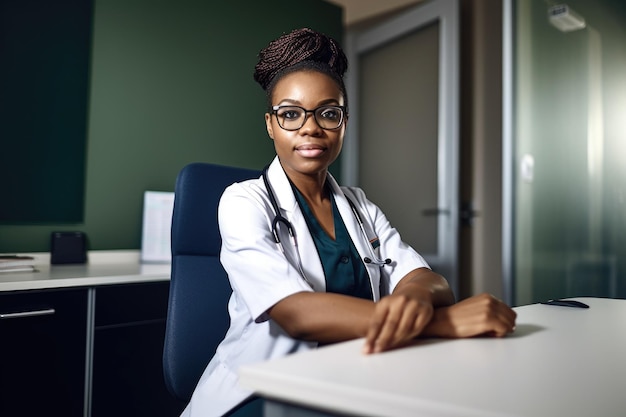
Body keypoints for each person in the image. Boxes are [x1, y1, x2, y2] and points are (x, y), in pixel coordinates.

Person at [182, 27, 516, 417]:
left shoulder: (359, 206)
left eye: (328, 113)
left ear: (343, 122)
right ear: (270, 124)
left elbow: (428, 280)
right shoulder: (243, 201)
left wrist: (413, 300)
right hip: (264, 389)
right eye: (291, 114)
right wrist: (441, 324)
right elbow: (297, 315)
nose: (311, 127)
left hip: (353, 378)